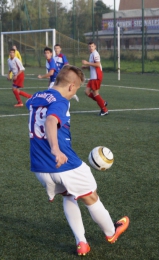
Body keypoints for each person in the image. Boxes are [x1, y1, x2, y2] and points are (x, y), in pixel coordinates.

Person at [26, 65, 129, 256]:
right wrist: (55, 149)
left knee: (68, 195)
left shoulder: (37, 96)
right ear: (72, 87)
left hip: (40, 167)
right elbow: (50, 121)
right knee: (91, 195)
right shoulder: (60, 103)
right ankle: (111, 232)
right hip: (63, 163)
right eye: (76, 89)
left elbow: (41, 106)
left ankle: (81, 242)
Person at [82, 42, 108, 116]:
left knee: (95, 94)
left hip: (96, 76)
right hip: (93, 77)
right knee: (87, 92)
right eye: (89, 46)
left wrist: (87, 63)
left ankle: (104, 110)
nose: (91, 48)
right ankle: (103, 102)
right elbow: (93, 65)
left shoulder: (95, 54)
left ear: (95, 46)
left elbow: (97, 64)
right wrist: (86, 67)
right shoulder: (91, 54)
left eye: (92, 46)